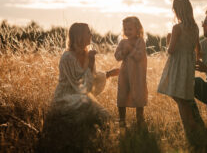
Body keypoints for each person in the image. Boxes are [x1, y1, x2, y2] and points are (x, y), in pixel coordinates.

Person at [40, 22, 119, 152]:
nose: (91, 34)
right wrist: (91, 62)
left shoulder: (88, 54)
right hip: (65, 99)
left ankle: (97, 133)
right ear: (79, 36)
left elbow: (91, 77)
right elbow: (81, 86)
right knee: (87, 102)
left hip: (81, 99)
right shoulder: (67, 57)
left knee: (106, 115)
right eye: (88, 32)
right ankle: (68, 126)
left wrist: (109, 74)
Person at [157, 0, 206, 146]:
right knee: (182, 97)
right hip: (188, 63)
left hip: (177, 63)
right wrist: (193, 59)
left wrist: (168, 40)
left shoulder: (177, 28)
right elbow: (199, 50)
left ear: (176, 11)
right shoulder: (195, 27)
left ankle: (191, 126)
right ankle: (190, 126)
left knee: (178, 96)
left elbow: (171, 50)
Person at [114, 16, 148, 127]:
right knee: (122, 94)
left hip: (137, 75)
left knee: (138, 95)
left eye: (130, 29)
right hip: (125, 74)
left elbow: (139, 56)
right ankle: (122, 119)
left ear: (138, 29)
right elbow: (117, 56)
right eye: (125, 29)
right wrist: (124, 51)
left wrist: (131, 50)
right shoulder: (123, 42)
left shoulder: (140, 42)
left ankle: (140, 119)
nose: (127, 31)